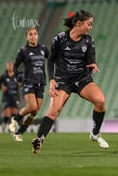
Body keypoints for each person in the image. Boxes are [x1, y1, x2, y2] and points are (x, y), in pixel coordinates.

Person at [31, 10, 109, 154]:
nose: (91, 27)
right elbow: (51, 60)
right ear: (79, 23)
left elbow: (91, 60)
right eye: (89, 24)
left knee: (100, 101)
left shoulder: (89, 41)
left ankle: (95, 134)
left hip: (82, 79)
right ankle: (39, 139)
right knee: (54, 110)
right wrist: (52, 79)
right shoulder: (59, 39)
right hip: (63, 80)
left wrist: (93, 65)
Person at [8, 27, 49, 141]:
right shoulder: (23, 50)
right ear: (27, 37)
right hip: (29, 82)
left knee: (35, 112)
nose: (33, 36)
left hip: (40, 83)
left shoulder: (43, 49)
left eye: (35, 34)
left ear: (38, 36)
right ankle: (15, 119)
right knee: (32, 106)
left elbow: (51, 59)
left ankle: (19, 132)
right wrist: (19, 78)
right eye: (30, 34)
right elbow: (15, 67)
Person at [0, 61, 20, 132]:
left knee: (14, 114)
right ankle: (4, 124)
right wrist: (2, 87)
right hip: (6, 97)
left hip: (15, 96)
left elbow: (21, 83)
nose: (10, 67)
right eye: (8, 66)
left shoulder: (16, 75)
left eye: (11, 66)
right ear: (6, 67)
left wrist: (20, 84)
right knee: (7, 114)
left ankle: (14, 128)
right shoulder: (3, 76)